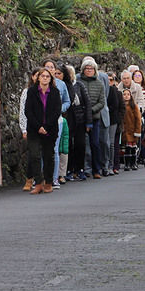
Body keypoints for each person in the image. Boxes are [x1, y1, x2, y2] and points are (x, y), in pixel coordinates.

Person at [24, 68, 62, 194]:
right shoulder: (32, 92)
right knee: (34, 155)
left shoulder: (55, 92)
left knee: (48, 156)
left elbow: (57, 111)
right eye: (43, 76)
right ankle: (38, 183)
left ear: (51, 79)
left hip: (50, 130)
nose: (45, 78)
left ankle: (49, 182)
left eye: (47, 76)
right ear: (38, 78)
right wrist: (38, 126)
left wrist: (46, 127)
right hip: (34, 129)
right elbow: (28, 111)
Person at [43, 59, 71, 188]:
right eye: (46, 67)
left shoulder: (60, 84)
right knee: (43, 149)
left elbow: (67, 101)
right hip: (42, 121)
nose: (49, 69)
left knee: (54, 149)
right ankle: (43, 178)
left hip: (57, 121)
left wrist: (60, 109)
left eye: (52, 67)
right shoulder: (38, 85)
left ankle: (54, 178)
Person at [78, 57, 106, 179]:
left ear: (95, 70)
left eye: (91, 68)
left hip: (94, 118)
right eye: (87, 68)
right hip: (81, 118)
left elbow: (102, 102)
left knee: (95, 144)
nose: (89, 70)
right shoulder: (79, 83)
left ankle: (96, 169)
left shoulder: (99, 83)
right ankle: (82, 169)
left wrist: (91, 110)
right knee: (81, 144)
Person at [64, 64, 91, 181]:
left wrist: (89, 122)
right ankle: (69, 169)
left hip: (80, 119)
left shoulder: (79, 85)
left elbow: (87, 103)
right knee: (68, 145)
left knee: (80, 144)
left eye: (70, 73)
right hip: (68, 120)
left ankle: (80, 169)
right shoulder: (64, 86)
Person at [18, 69, 39, 191]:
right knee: (33, 154)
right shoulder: (27, 92)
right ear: (32, 77)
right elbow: (23, 111)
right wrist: (24, 129)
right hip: (31, 127)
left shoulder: (48, 91)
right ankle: (29, 179)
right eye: (37, 76)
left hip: (45, 127)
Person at [120, 88, 142, 170]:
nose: (126, 96)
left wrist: (137, 130)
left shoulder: (134, 106)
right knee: (126, 148)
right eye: (124, 94)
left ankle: (133, 163)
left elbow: (138, 119)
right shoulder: (121, 106)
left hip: (133, 130)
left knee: (133, 147)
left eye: (128, 94)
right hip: (125, 130)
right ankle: (127, 164)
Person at [106, 72, 123, 175]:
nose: (109, 82)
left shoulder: (116, 92)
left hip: (113, 120)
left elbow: (119, 107)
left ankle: (111, 165)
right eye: (107, 79)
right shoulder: (103, 90)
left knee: (112, 143)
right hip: (104, 119)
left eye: (111, 80)